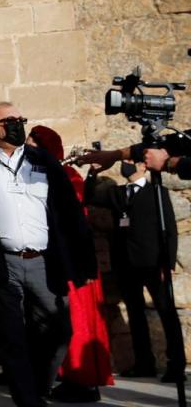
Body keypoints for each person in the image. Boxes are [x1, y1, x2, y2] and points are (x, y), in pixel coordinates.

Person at [0, 102, 96, 407]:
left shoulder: (45, 163)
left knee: (58, 331)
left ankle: (35, 389)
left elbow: (70, 214)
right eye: (9, 120)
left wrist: (84, 261)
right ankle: (28, 401)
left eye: (20, 119)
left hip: (44, 263)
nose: (17, 124)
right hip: (0, 264)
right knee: (11, 338)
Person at [26, 125, 113, 402]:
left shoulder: (66, 178)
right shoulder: (52, 176)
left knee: (76, 321)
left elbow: (72, 224)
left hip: (71, 262)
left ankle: (82, 380)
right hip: (60, 260)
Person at [85, 159, 185, 382]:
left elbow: (170, 230)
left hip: (152, 263)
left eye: (131, 161)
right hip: (126, 264)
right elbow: (90, 196)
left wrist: (167, 264)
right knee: (135, 313)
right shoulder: (116, 193)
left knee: (166, 313)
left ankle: (175, 364)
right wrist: (92, 173)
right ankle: (144, 363)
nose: (126, 164)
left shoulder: (157, 192)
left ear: (142, 167)